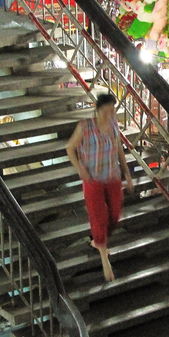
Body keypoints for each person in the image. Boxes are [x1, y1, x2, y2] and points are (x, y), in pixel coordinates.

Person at [66, 92, 133, 282]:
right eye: (106, 111)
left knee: (114, 214)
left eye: (112, 111)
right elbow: (70, 148)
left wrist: (127, 173)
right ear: (97, 110)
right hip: (93, 178)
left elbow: (119, 148)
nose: (109, 114)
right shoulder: (85, 126)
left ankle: (98, 240)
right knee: (98, 216)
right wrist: (80, 169)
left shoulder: (113, 125)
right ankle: (104, 258)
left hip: (111, 175)